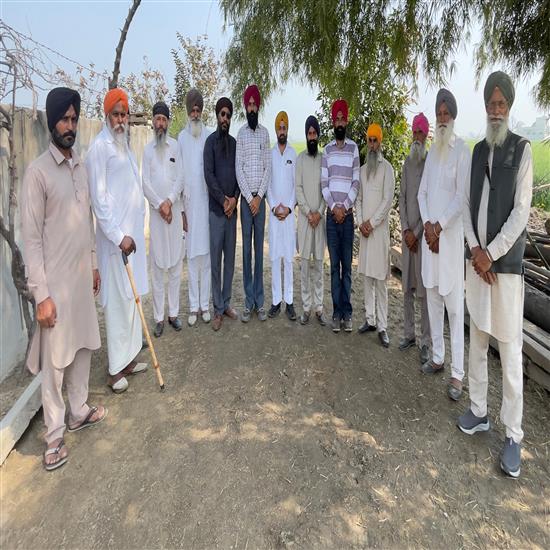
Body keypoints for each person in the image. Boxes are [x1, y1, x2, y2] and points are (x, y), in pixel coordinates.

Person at [22, 87, 106, 470]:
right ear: (51, 121)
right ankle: (54, 435)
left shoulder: (81, 168)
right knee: (54, 362)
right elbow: (31, 240)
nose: (70, 126)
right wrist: (41, 294)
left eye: (74, 119)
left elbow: (87, 222)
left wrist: (93, 263)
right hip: (54, 286)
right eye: (64, 119)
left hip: (80, 278)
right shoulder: (37, 173)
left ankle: (78, 410)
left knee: (83, 345)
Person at [458, 71, 533, 478]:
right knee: (478, 340)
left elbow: (521, 213)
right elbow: (466, 204)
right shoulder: (476, 151)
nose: (496, 110)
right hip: (478, 266)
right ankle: (478, 410)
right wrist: (475, 250)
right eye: (491, 103)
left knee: (509, 352)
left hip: (503, 270)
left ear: (510, 106)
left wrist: (491, 254)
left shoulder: (522, 151)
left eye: (501, 103)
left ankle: (514, 435)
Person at [87, 87, 148, 393]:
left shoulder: (124, 145)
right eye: (116, 114)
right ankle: (114, 370)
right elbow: (99, 203)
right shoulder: (99, 149)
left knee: (131, 300)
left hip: (132, 240)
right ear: (107, 115)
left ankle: (128, 360)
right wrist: (118, 236)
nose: (121, 120)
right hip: (116, 244)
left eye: (125, 114)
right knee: (117, 305)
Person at [418, 88, 470, 401]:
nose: (441, 118)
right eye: (438, 114)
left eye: (445, 113)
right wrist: (427, 224)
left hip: (448, 243)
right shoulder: (432, 154)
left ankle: (458, 375)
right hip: (431, 242)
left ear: (453, 116)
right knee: (434, 301)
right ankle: (438, 357)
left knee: (454, 309)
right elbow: (422, 193)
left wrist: (438, 227)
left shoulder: (462, 150)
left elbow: (461, 198)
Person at [142, 101, 184, 337]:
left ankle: (173, 314)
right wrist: (160, 205)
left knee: (176, 265)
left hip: (173, 215)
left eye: (163, 119)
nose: (160, 123)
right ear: (153, 122)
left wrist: (169, 201)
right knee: (158, 266)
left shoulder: (175, 147)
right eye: (157, 118)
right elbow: (145, 183)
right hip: (158, 217)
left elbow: (181, 178)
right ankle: (159, 317)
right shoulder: (147, 150)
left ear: (168, 122)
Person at [321, 99, 360, 333]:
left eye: (342, 119)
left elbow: (356, 182)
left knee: (347, 267)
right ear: (332, 122)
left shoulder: (354, 149)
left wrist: (343, 207)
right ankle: (336, 313)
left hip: (347, 218)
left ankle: (347, 313)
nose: (339, 123)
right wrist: (334, 208)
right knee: (334, 267)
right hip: (331, 218)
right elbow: (324, 184)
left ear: (347, 121)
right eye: (336, 119)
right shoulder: (327, 151)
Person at [356, 123, 395, 347]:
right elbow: (359, 199)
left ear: (380, 142)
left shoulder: (387, 169)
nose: (372, 145)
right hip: (365, 233)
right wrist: (361, 222)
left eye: (375, 140)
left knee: (380, 281)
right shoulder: (362, 170)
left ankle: (382, 326)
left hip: (378, 234)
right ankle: (369, 320)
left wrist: (371, 223)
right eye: (369, 140)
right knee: (367, 279)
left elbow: (387, 201)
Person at [203, 97, 240, 331]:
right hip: (217, 212)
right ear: (217, 116)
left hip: (231, 213)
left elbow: (239, 174)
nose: (225, 118)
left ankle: (226, 303)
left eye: (228, 115)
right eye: (222, 114)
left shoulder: (235, 144)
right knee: (216, 261)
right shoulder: (210, 143)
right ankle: (217, 308)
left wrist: (234, 198)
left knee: (230, 261)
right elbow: (209, 176)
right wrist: (223, 200)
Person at [236, 84, 271, 322]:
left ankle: (260, 301)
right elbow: (238, 168)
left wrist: (259, 198)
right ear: (245, 107)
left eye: (254, 105)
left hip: (261, 200)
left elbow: (268, 167)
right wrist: (250, 198)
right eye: (248, 105)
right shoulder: (241, 134)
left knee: (259, 251)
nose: (251, 108)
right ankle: (248, 302)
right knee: (246, 252)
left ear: (258, 107)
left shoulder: (265, 134)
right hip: (247, 202)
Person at [177, 88, 212, 326]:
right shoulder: (181, 138)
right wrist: (181, 210)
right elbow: (179, 175)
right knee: (191, 259)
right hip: (189, 205)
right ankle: (192, 307)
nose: (196, 114)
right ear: (188, 112)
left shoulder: (209, 135)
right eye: (193, 110)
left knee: (206, 259)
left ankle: (205, 305)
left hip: (206, 203)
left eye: (199, 110)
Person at [398, 113, 431, 363]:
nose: (417, 136)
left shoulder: (431, 164)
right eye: (414, 132)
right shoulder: (407, 164)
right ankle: (409, 334)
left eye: (421, 132)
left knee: (424, 291)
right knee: (407, 288)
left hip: (423, 239)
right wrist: (405, 230)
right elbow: (402, 198)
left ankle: (426, 341)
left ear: (426, 135)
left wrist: (417, 232)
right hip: (407, 235)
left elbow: (429, 202)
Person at [296, 115, 327, 325]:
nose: (312, 137)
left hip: (320, 220)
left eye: (315, 133)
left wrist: (319, 213)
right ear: (306, 135)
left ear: (318, 135)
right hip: (305, 221)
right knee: (305, 265)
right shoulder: (300, 159)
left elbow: (326, 189)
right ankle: (306, 308)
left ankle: (319, 308)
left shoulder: (324, 159)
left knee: (319, 266)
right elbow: (298, 189)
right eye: (309, 133)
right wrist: (309, 213)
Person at [267, 111, 297, 321]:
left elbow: (296, 185)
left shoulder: (293, 154)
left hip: (288, 215)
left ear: (287, 130)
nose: (282, 131)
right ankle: (276, 301)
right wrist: (273, 207)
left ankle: (290, 301)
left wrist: (288, 208)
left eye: (284, 128)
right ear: (276, 130)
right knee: (275, 258)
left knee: (288, 258)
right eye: (279, 128)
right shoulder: (270, 154)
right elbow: (268, 184)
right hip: (274, 215)